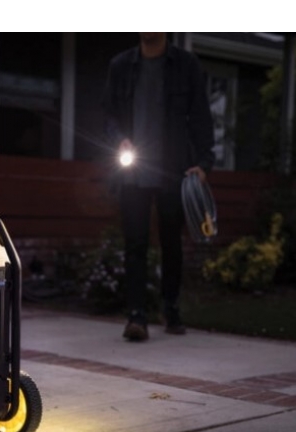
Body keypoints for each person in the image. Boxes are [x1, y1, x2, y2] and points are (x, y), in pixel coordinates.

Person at [103, 33, 215, 341]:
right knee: (135, 243)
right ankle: (136, 316)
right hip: (132, 170)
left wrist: (204, 163)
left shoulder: (186, 65)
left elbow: (201, 115)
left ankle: (171, 308)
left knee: (171, 242)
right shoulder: (121, 66)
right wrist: (120, 140)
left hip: (173, 169)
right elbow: (109, 115)